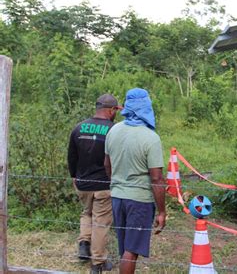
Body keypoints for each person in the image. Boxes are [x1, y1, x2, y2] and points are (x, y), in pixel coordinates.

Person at [104, 88, 166, 274]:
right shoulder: (151, 138)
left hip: (117, 197)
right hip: (139, 200)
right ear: (146, 107)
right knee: (131, 251)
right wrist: (162, 211)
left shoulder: (113, 130)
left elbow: (107, 164)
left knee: (125, 246)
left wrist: (116, 183)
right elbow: (156, 178)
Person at [67, 94, 123, 273]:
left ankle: (84, 243)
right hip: (103, 185)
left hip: (82, 183)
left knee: (86, 212)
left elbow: (72, 157)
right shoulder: (114, 130)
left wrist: (74, 177)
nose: (117, 113)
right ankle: (98, 262)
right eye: (116, 110)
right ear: (110, 110)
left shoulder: (78, 128)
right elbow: (116, 159)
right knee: (101, 222)